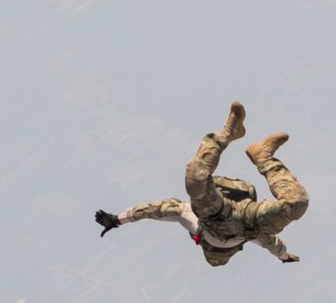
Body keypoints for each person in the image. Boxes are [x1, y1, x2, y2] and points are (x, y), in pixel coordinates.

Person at [95, 101, 307, 266]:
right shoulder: (257, 235)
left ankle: (227, 135)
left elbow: (157, 209)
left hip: (218, 213)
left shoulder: (196, 222)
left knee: (195, 179)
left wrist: (118, 219)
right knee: (296, 203)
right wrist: (118, 220)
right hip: (244, 214)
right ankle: (263, 157)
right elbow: (277, 248)